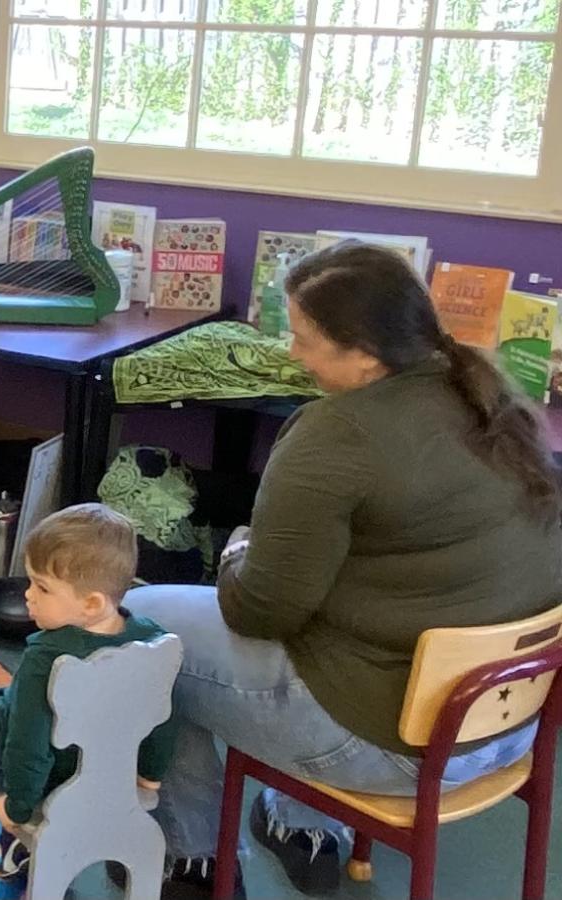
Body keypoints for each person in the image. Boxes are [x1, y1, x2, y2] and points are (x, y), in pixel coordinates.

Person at [123, 242, 562, 897]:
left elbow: (259, 610)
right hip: (509, 728)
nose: (293, 354)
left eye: (303, 338)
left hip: (396, 746)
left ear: (361, 352)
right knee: (326, 614)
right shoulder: (491, 399)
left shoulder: (334, 433)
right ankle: (304, 826)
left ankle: (192, 857)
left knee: (143, 627)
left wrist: (241, 549)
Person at [0, 504, 177, 900]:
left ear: (91, 604)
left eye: (42, 587)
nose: (27, 596)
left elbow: (27, 743)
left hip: (20, 759)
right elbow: (164, 714)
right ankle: (21, 856)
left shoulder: (46, 657)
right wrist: (150, 773)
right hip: (102, 769)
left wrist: (19, 809)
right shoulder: (154, 640)